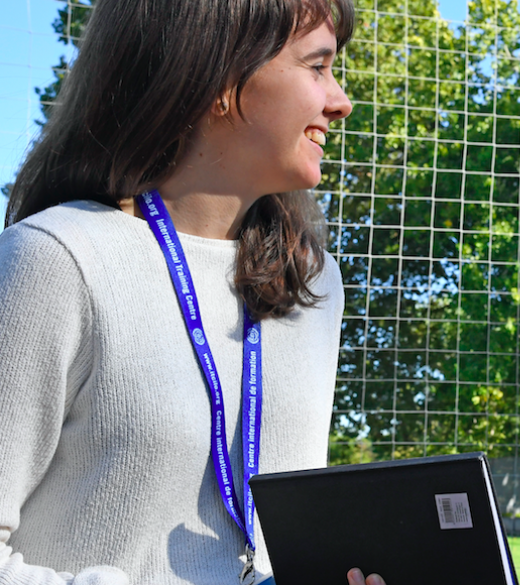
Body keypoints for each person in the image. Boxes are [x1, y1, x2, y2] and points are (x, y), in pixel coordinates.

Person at [0, 1, 383, 584]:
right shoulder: (56, 260)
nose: (341, 101)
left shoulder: (312, 284)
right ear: (221, 79)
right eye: (317, 66)